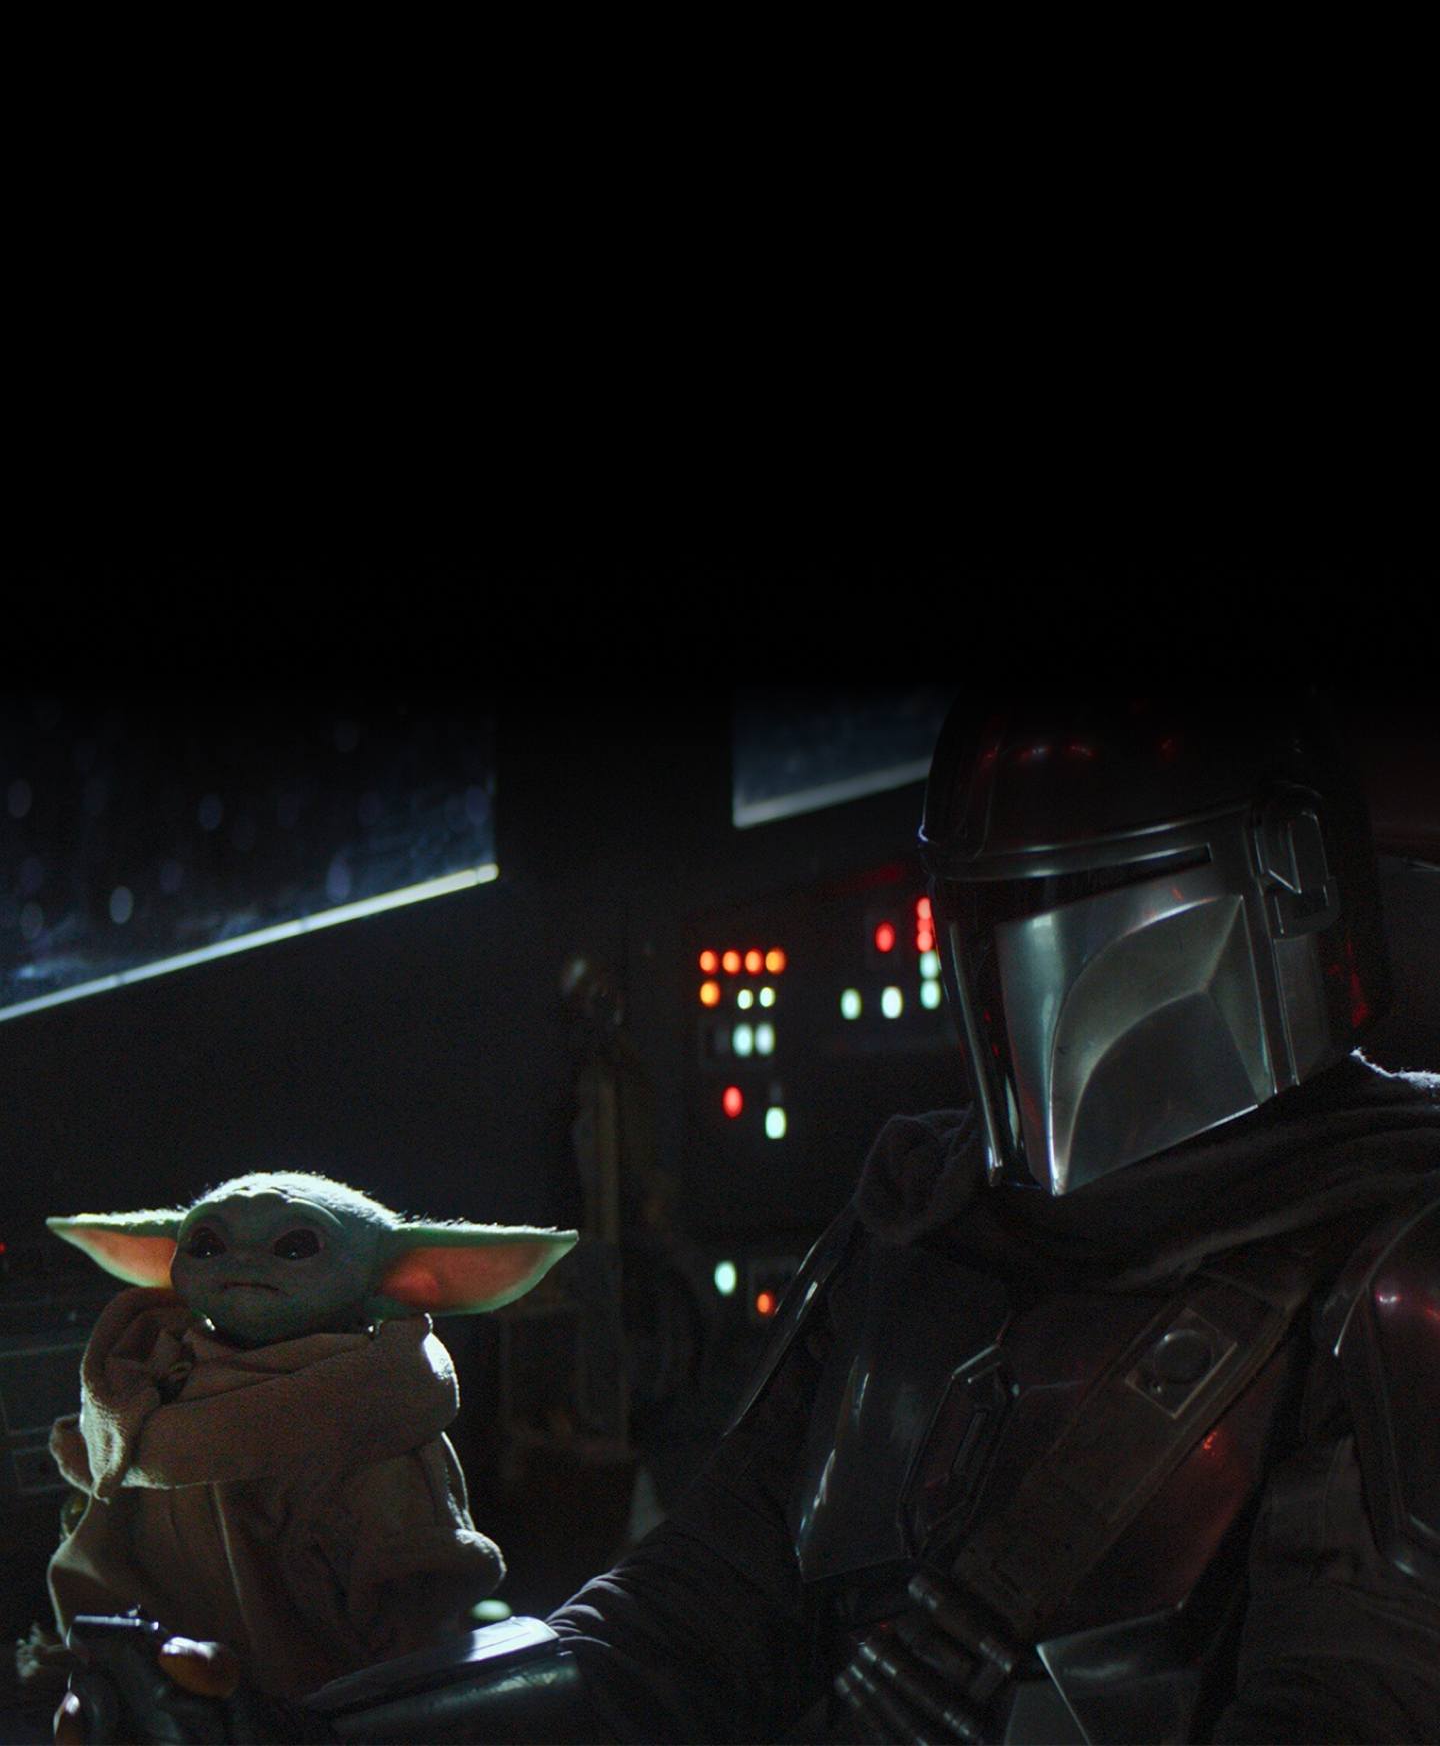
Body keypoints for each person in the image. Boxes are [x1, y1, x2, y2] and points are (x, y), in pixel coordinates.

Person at [54, 689, 1440, 1743]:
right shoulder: (929, 1214)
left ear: (1286, 887)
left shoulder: (1392, 1267)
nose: (1030, 971)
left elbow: (1348, 1703)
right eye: (993, 911)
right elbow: (680, 1624)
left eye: (1082, 902)